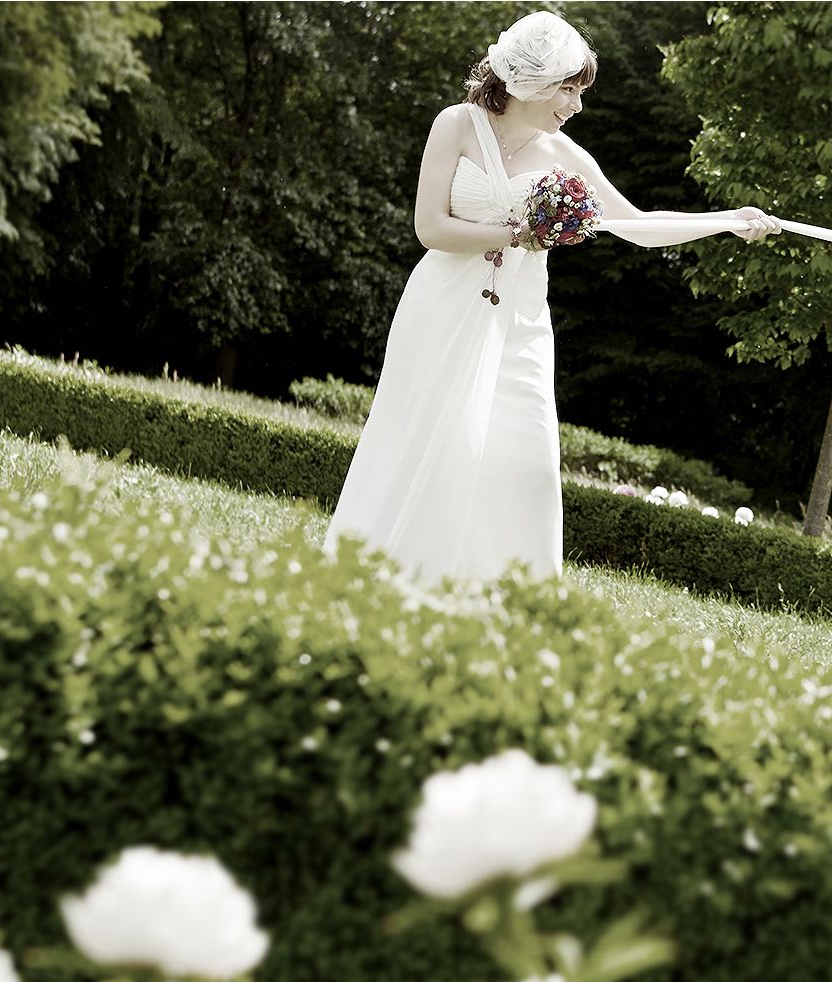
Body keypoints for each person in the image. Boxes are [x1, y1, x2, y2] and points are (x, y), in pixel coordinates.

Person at [325, 11, 778, 584]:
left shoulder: (566, 156)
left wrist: (728, 221)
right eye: (570, 89)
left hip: (520, 323)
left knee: (529, 464)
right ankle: (391, 574)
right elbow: (430, 228)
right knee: (430, 442)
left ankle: (510, 596)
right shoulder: (456, 124)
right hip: (443, 307)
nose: (577, 105)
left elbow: (638, 226)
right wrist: (515, 235)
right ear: (532, 81)